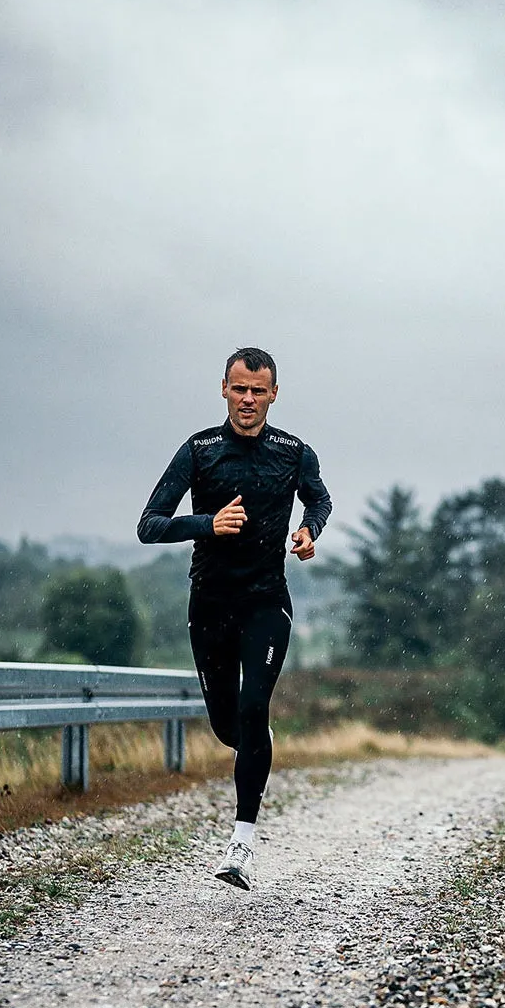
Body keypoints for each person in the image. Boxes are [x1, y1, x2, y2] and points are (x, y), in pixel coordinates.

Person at [137, 347, 331, 889]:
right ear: (223, 388)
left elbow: (320, 501)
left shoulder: (294, 453)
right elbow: (149, 525)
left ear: (274, 394)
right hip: (211, 603)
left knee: (253, 706)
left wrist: (310, 530)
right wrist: (206, 523)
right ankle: (252, 734)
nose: (248, 400)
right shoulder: (199, 451)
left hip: (267, 600)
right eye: (239, 389)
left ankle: (240, 846)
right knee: (230, 726)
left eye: (258, 391)